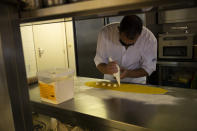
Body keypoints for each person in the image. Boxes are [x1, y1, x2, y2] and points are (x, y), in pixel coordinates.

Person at [94, 15, 157, 84]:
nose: (126, 46)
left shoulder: (149, 39)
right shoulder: (105, 33)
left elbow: (148, 68)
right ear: (119, 30)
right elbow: (99, 62)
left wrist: (128, 73)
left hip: (136, 83)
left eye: (131, 44)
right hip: (110, 81)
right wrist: (106, 68)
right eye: (122, 42)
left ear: (140, 35)